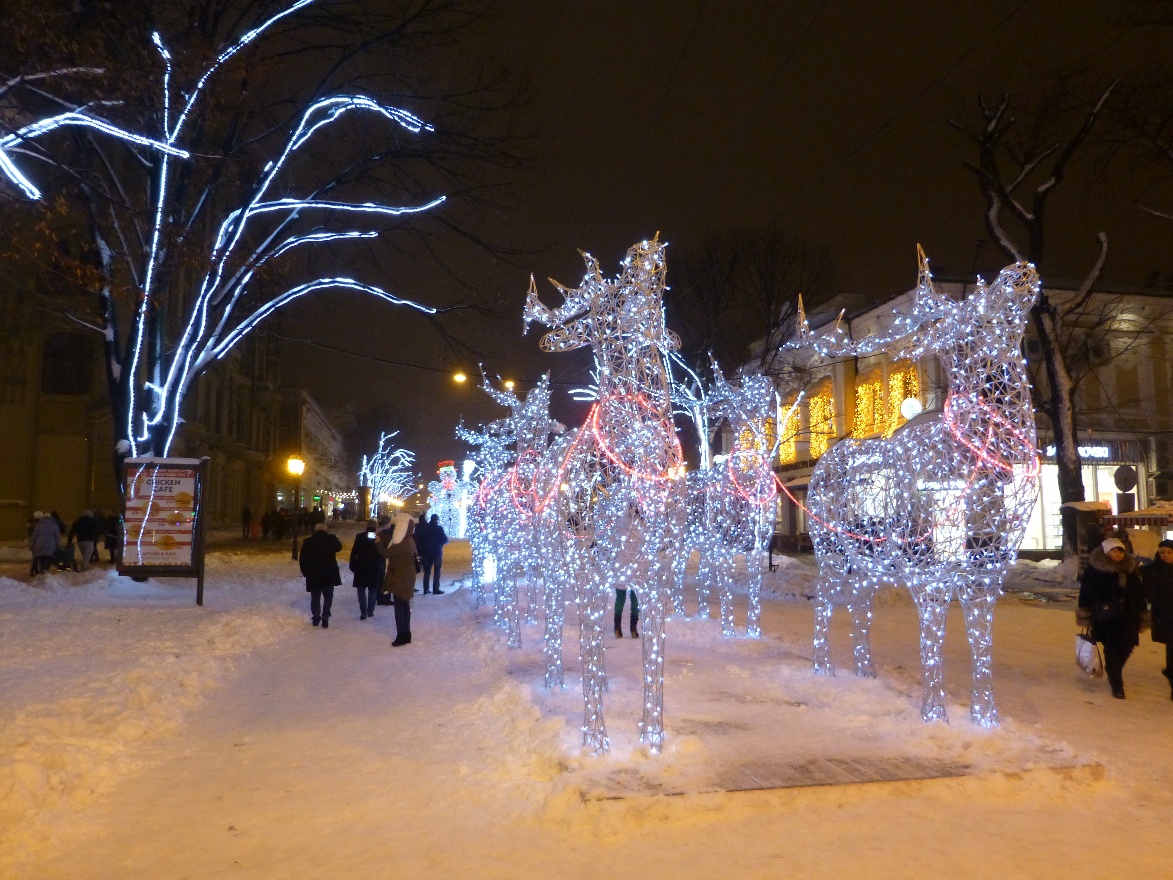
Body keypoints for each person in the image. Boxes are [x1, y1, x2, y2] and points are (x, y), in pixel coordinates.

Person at [1078, 537, 1148, 699]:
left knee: (1127, 646)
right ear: (1106, 552)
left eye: (1120, 550)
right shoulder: (1094, 570)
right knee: (1111, 647)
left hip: (1129, 615)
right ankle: (1117, 685)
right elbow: (1086, 593)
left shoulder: (1130, 569)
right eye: (1113, 551)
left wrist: (1142, 611)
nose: (1117, 554)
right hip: (1106, 616)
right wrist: (1086, 612)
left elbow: (1138, 591)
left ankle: (1113, 668)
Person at [377, 518, 418, 646]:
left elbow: (386, 553)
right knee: (405, 606)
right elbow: (392, 543)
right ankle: (406, 634)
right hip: (406, 577)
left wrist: (378, 542)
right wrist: (381, 536)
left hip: (401, 578)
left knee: (400, 608)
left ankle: (402, 635)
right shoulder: (408, 539)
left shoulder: (403, 543)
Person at [1142, 538, 1173, 701]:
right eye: (1162, 552)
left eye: (1169, 552)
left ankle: (1170, 671)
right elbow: (1149, 593)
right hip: (1165, 615)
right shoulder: (1152, 571)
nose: (1165, 555)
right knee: (1172, 647)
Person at [299, 523, 343, 628]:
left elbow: (302, 559)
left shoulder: (308, 541)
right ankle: (325, 615)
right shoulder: (331, 539)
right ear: (325, 530)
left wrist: (305, 572)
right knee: (328, 595)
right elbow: (339, 547)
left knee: (315, 596)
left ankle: (316, 616)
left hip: (314, 574)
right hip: (329, 573)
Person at [349, 519, 385, 620]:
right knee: (372, 590)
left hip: (361, 567)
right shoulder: (377, 537)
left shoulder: (360, 536)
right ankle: (370, 611)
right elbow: (382, 553)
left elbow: (354, 552)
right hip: (374, 567)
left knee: (361, 589)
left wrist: (353, 565)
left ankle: (363, 611)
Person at [417, 513, 448, 595]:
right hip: (437, 552)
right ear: (437, 520)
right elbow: (445, 539)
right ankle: (436, 589)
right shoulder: (439, 528)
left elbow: (421, 539)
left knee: (427, 571)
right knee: (437, 570)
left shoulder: (425, 528)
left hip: (426, 553)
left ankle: (426, 589)